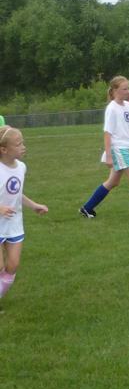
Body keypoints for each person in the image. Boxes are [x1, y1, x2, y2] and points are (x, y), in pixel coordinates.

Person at [79, 76, 129, 221]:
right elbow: (107, 133)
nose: (128, 91)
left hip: (124, 148)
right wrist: (108, 155)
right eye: (124, 89)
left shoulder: (127, 105)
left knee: (113, 182)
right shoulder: (112, 108)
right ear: (115, 90)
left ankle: (87, 208)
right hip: (119, 149)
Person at [0, 126, 48, 300]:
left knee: (12, 266)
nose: (23, 147)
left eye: (23, 143)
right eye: (18, 144)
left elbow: (16, 193)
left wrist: (33, 205)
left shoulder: (21, 167)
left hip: (14, 223)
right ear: (4, 149)